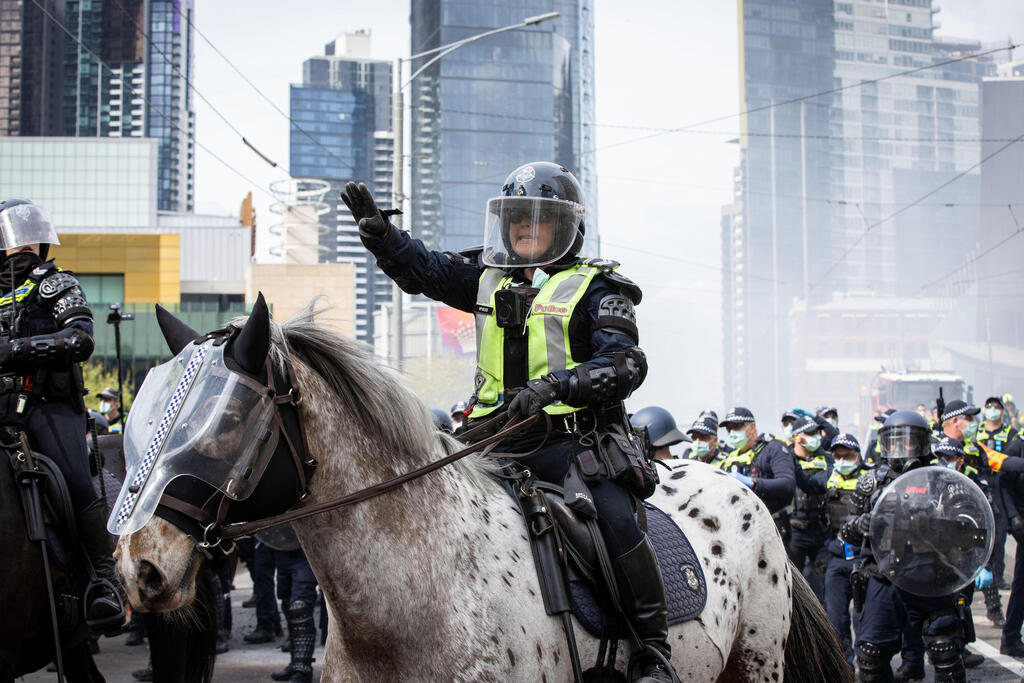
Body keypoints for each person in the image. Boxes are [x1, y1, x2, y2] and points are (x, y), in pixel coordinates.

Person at [342, 162, 673, 682]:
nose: (524, 231)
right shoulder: (485, 279)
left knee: (615, 521)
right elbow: (428, 270)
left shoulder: (599, 287)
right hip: (490, 442)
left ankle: (653, 651)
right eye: (516, 223)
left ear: (565, 229)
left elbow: (626, 365)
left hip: (573, 446)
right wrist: (385, 238)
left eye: (536, 222)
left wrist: (555, 387)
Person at [0, 199, 123, 632]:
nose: (24, 245)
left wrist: (15, 351)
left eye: (31, 237)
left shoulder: (54, 284)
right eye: (18, 237)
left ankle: (103, 581)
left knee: (72, 478)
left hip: (46, 406)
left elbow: (80, 339)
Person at [839, 410, 972, 683]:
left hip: (932, 577)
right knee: (870, 655)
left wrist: (933, 525)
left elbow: (969, 530)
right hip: (883, 577)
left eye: (909, 441)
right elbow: (844, 530)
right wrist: (863, 525)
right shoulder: (871, 482)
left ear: (922, 444)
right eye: (896, 441)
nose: (902, 448)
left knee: (945, 650)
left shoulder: (943, 481)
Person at [822, 432, 866, 666]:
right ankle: (845, 666)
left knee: (863, 617)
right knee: (835, 617)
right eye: (838, 456)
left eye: (847, 455)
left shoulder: (870, 479)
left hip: (863, 557)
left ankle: (867, 664)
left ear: (857, 457)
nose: (842, 460)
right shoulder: (827, 477)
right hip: (836, 556)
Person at [718, 407, 795, 537]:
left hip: (774, 527)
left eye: (737, 427)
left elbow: (788, 483)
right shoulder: (729, 458)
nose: (732, 432)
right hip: (741, 529)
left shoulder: (773, 449)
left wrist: (753, 483)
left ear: (752, 427)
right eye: (729, 429)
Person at [787, 416, 832, 601]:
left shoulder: (828, 458)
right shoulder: (784, 458)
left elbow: (818, 485)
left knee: (822, 588)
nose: (817, 437)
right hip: (793, 531)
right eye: (811, 433)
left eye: (817, 432)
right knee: (792, 586)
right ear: (797, 437)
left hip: (821, 531)